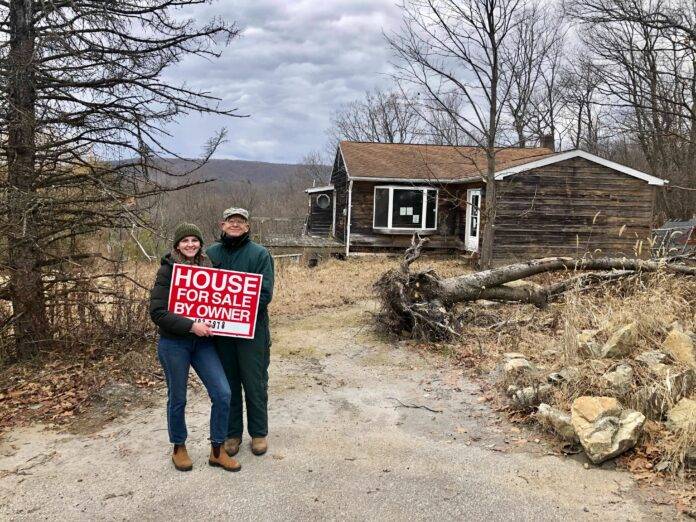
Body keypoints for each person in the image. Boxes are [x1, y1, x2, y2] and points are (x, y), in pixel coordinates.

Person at [149, 222, 241, 473]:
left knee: (223, 393)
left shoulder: (210, 268)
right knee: (178, 397)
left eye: (195, 240)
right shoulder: (167, 271)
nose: (190, 244)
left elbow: (221, 304)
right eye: (185, 241)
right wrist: (191, 325)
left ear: (200, 243)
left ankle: (217, 450)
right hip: (173, 343)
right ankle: (179, 446)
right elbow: (157, 312)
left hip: (203, 344)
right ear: (177, 245)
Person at [206, 207, 274, 458]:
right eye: (231, 221)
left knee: (254, 382)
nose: (235, 225)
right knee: (228, 383)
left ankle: (258, 434)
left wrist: (239, 314)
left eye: (240, 222)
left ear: (247, 227)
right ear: (222, 225)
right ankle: (232, 434)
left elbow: (265, 293)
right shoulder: (210, 253)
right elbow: (193, 283)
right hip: (221, 333)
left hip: (252, 331)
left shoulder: (259, 254)